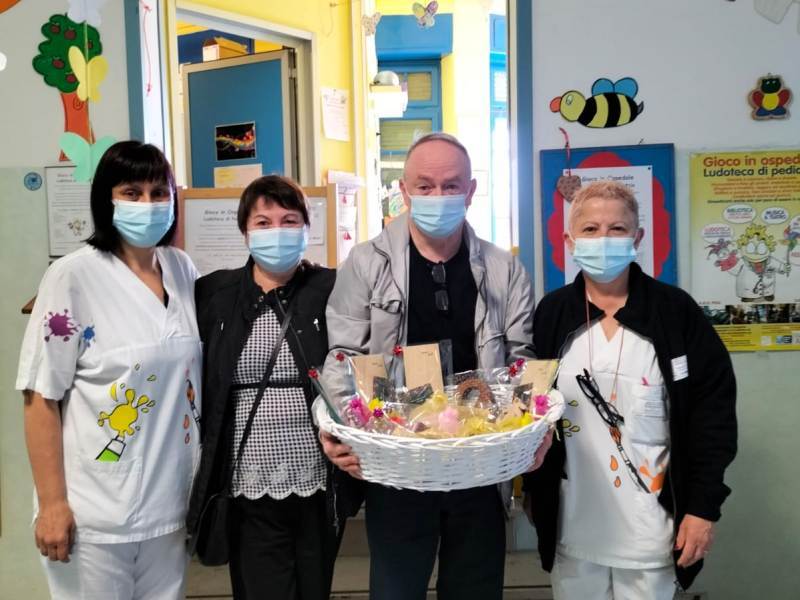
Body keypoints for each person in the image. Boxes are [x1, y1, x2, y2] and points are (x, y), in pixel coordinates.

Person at [319, 132, 541, 600]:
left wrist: (530, 432)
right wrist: (346, 429)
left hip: (480, 463)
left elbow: (521, 361)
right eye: (424, 186)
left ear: (471, 191)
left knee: (476, 590)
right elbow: (343, 357)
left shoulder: (504, 270)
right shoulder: (366, 263)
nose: (438, 196)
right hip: (399, 463)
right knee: (396, 589)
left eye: (451, 185)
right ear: (404, 191)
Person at [523, 180, 737, 599]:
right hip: (574, 529)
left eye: (617, 229)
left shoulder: (675, 312)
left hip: (651, 533)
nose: (603, 239)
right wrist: (534, 491)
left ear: (637, 238)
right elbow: (534, 412)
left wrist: (702, 508)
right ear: (569, 241)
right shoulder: (553, 314)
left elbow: (712, 417)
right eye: (590, 229)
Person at [17, 141, 201, 599]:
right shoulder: (72, 277)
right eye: (132, 192)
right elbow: (41, 397)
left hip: (169, 507)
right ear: (107, 199)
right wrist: (53, 505)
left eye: (159, 193)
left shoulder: (181, 269)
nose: (148, 204)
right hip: (94, 515)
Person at [186, 175, 362, 600]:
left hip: (320, 477)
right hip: (247, 480)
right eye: (263, 222)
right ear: (244, 230)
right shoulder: (214, 294)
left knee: (313, 588)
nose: (276, 231)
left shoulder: (332, 288)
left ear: (306, 228)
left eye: (289, 220)